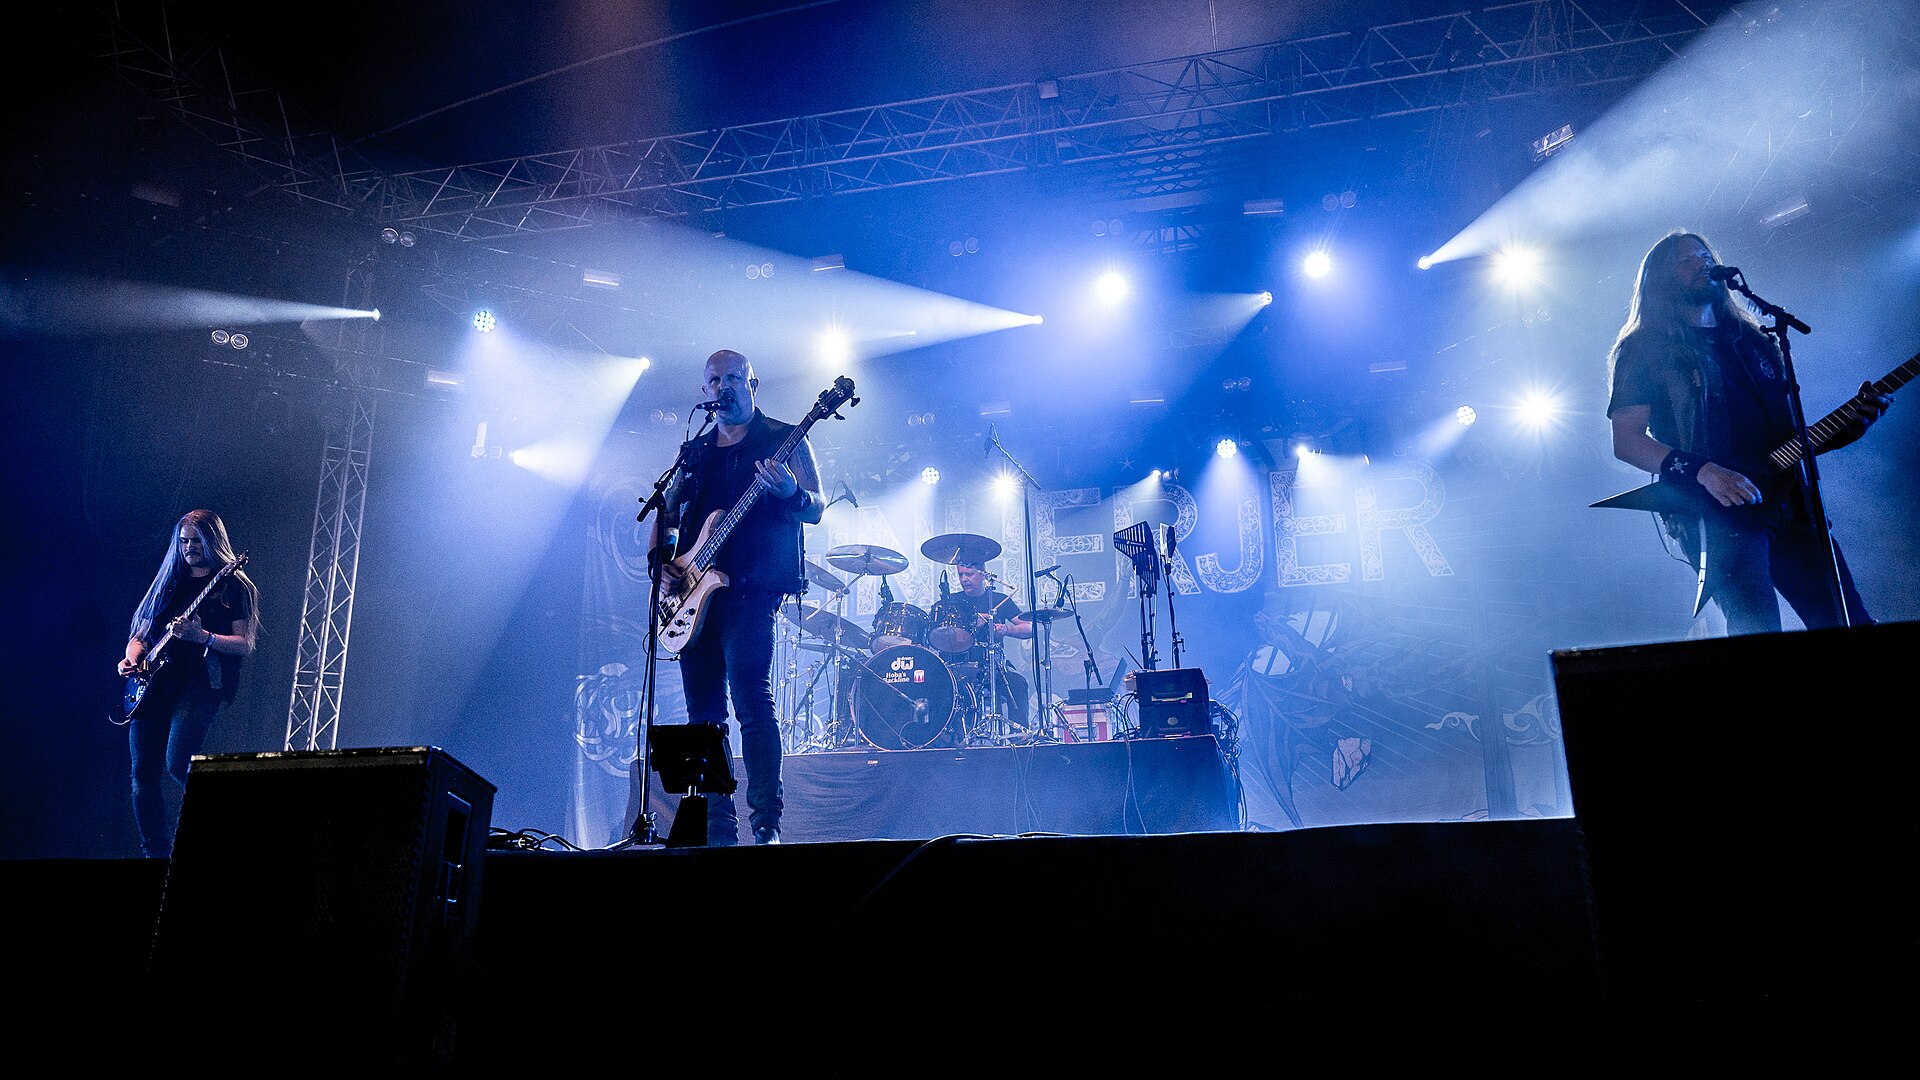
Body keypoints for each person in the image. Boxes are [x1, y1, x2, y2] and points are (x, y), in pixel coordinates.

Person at [1606, 229, 1891, 636]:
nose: (1700, 264)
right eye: (1684, 260)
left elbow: (1793, 440)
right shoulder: (1646, 347)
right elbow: (1627, 440)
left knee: (1847, 626)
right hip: (1719, 511)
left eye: (1704, 256)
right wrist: (1706, 471)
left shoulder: (1755, 341)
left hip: (1794, 505)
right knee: (1758, 636)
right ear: (1659, 280)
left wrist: (1853, 426)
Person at [654, 349, 823, 846]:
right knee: (703, 715)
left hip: (752, 588)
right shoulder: (697, 452)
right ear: (704, 391)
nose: (723, 385)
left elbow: (816, 507)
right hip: (692, 593)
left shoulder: (783, 439)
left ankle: (766, 824)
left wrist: (791, 491)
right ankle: (717, 827)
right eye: (714, 379)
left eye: (733, 377)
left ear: (753, 384)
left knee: (751, 699)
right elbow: (666, 513)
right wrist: (663, 564)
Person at [118, 509, 259, 858]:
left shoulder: (233, 585)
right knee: (142, 775)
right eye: (183, 542)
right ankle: (155, 855)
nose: (189, 548)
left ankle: (224, 827)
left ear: (213, 541)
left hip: (200, 686)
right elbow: (141, 634)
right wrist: (132, 657)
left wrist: (203, 636)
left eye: (197, 541)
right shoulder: (169, 581)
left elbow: (244, 644)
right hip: (154, 686)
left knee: (178, 762)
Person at [933, 559, 1035, 735]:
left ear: (983, 575)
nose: (964, 579)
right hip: (957, 665)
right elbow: (936, 633)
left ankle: (1020, 738)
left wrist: (1006, 629)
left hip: (993, 665)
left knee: (1018, 684)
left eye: (969, 574)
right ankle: (949, 739)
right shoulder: (952, 602)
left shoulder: (998, 600)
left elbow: (1029, 627)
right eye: (960, 575)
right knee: (939, 687)